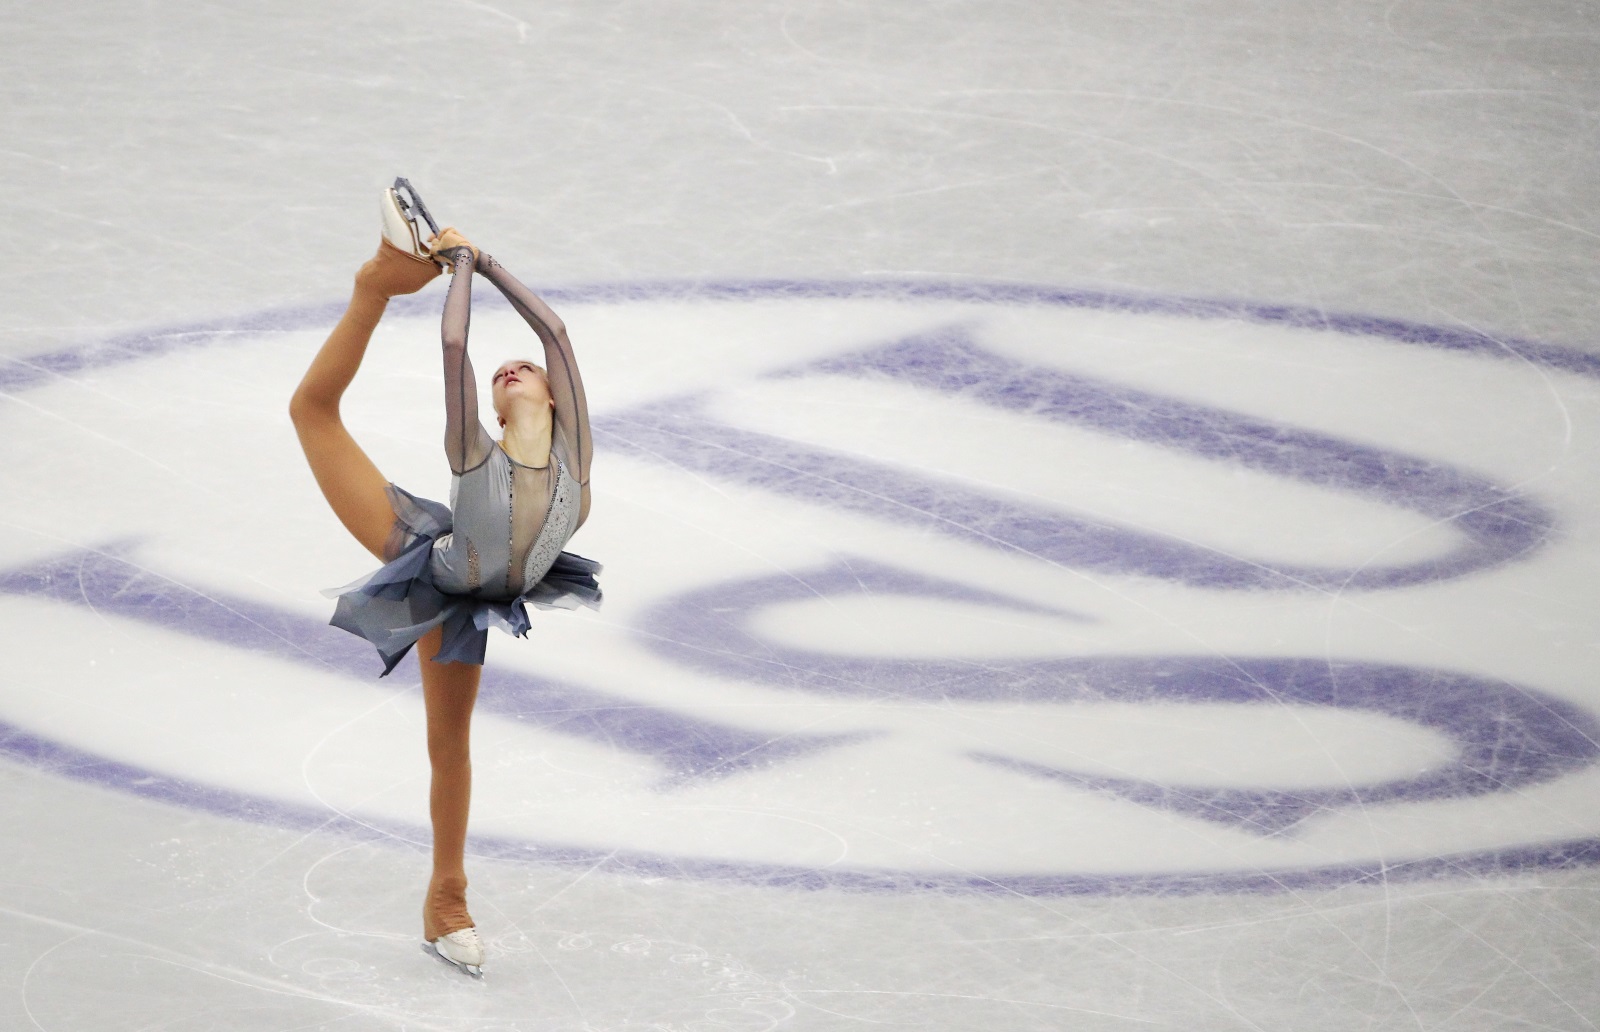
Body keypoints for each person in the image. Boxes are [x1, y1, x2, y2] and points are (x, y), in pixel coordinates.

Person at [288, 185, 599, 977]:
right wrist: (458, 267)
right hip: (429, 565)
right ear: (491, 415)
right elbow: (457, 348)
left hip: (490, 588)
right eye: (505, 380)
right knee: (312, 411)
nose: (514, 369)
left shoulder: (577, 461)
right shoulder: (476, 454)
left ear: (556, 395)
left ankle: (443, 901)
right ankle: (373, 288)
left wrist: (487, 264)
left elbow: (554, 330)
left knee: (450, 746)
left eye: (525, 371)